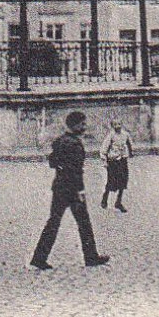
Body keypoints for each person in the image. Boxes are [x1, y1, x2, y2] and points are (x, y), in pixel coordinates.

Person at [30, 110, 110, 270]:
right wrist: (80, 191)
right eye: (82, 124)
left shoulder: (60, 141)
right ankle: (91, 256)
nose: (85, 126)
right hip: (72, 190)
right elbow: (76, 171)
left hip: (59, 186)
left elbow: (52, 161)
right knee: (84, 223)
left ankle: (38, 258)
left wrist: (61, 167)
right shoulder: (75, 144)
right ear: (75, 125)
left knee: (53, 222)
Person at [99, 119, 133, 212]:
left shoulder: (125, 134)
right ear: (112, 126)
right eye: (115, 125)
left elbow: (129, 143)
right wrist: (104, 161)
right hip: (113, 161)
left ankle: (118, 202)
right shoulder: (110, 136)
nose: (117, 126)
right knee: (111, 181)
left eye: (119, 124)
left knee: (123, 181)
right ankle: (105, 199)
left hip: (122, 161)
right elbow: (103, 149)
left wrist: (130, 152)